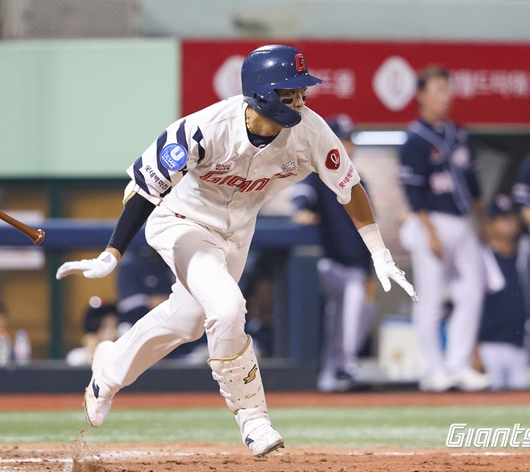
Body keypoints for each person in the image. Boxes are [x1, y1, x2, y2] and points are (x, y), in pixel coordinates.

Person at [56, 44, 417, 457]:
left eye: (302, 92)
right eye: (290, 93)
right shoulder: (205, 128)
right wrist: (112, 254)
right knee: (227, 308)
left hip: (237, 231)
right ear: (261, 93)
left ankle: (110, 367)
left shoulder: (311, 131)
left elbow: (349, 188)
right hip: (181, 222)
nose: (300, 101)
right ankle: (253, 418)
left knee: (188, 321)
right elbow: (143, 189)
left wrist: (379, 252)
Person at [397, 65, 489, 392]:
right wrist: (429, 232)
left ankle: (458, 365)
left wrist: (482, 222)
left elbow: (474, 185)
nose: (444, 97)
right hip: (431, 220)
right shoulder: (415, 138)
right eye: (437, 90)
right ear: (421, 95)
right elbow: (413, 190)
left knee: (472, 293)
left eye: (447, 90)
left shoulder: (458, 133)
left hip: (463, 222)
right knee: (431, 299)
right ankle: (433, 369)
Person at [292, 114, 376, 392]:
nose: (348, 146)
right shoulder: (318, 175)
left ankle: (333, 372)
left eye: (350, 140)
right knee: (346, 304)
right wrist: (302, 210)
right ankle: (345, 366)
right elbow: (302, 195)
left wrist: (370, 271)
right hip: (327, 265)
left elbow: (368, 229)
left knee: (353, 310)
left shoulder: (360, 182)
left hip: (354, 266)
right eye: (342, 139)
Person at [477, 194, 530, 390]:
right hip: (490, 346)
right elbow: (468, 307)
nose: (509, 223)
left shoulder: (525, 258)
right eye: (501, 218)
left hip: (521, 345)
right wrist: (473, 350)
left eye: (511, 217)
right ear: (490, 225)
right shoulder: (482, 258)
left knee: (524, 403)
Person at [66, 298, 120, 367]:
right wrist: (92, 351)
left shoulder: (120, 355)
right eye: (105, 326)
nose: (113, 332)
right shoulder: (77, 356)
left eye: (115, 326)